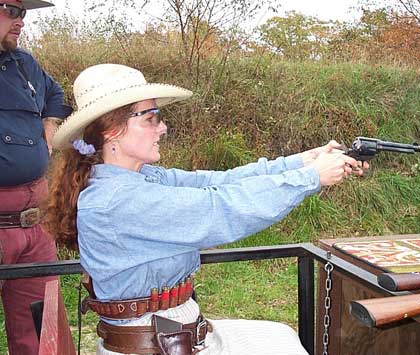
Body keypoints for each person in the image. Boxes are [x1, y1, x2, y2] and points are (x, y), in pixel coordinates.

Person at [46, 63, 368, 355]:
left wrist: (303, 161)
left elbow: (218, 181)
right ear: (111, 131)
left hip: (174, 333)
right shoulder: (116, 200)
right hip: (156, 345)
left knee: (281, 336)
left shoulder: (140, 178)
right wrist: (311, 178)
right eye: (150, 118)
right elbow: (219, 209)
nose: (162, 128)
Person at [0, 1, 72, 354]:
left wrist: (48, 126)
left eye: (24, 13)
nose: (21, 21)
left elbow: (56, 97)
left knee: (44, 333)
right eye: (12, 10)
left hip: (34, 227)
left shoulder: (23, 64)